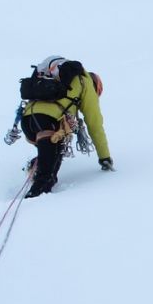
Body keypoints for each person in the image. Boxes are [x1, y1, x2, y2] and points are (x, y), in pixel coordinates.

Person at [21, 56, 113, 198]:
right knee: (45, 180)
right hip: (49, 124)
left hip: (28, 121)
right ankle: (36, 195)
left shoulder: (53, 73)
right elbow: (95, 124)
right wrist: (104, 157)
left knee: (56, 149)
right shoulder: (85, 81)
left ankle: (39, 164)